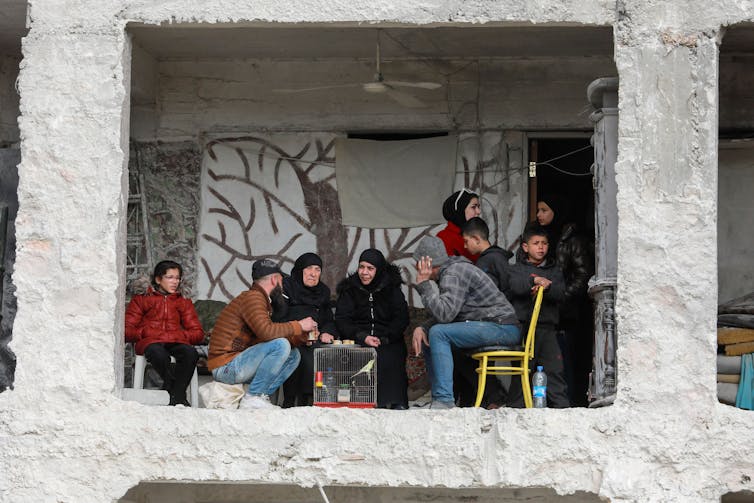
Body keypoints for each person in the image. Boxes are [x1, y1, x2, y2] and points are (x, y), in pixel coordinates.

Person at [410, 236, 520, 409]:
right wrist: (422, 327)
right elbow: (452, 313)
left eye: (417, 263)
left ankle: (444, 400)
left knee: (438, 333)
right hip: (491, 326)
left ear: (426, 263)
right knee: (431, 336)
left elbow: (445, 315)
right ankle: (440, 398)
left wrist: (424, 285)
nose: (415, 268)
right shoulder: (452, 271)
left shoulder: (454, 273)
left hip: (502, 327)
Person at [207, 259, 317, 410]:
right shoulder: (253, 298)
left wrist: (301, 337)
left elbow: (263, 337)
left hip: (236, 364)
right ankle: (254, 396)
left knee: (293, 355)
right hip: (225, 367)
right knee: (281, 345)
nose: (283, 286)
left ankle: (257, 395)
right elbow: (267, 332)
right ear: (274, 279)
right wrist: (299, 325)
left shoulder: (260, 301)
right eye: (281, 280)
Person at [536, 194, 594, 407]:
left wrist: (560, 295)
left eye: (544, 210)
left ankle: (570, 402)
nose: (539, 215)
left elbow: (582, 276)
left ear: (557, 211)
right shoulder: (544, 238)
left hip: (569, 312)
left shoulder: (573, 239)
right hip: (550, 311)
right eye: (538, 210)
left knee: (568, 360)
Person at [335, 249, 410, 410]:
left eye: (370, 268)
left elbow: (402, 318)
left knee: (390, 355)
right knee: (362, 354)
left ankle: (394, 400)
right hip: (359, 337)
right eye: (361, 267)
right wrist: (362, 336)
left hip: (388, 338)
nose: (364, 272)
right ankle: (363, 401)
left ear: (379, 270)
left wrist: (385, 338)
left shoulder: (392, 288)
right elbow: (342, 319)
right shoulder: (350, 289)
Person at [125, 260, 204, 406]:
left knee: (190, 353)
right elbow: (127, 330)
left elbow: (198, 333)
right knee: (158, 354)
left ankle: (174, 393)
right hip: (151, 342)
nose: (175, 282)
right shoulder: (142, 298)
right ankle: (177, 393)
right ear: (158, 279)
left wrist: (180, 336)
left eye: (177, 278)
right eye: (170, 277)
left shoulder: (183, 300)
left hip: (175, 341)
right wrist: (145, 332)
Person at [507, 224, 569, 408]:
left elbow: (561, 292)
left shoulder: (554, 270)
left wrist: (546, 287)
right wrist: (533, 281)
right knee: (522, 372)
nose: (541, 247)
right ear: (525, 247)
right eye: (536, 243)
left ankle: (562, 411)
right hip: (524, 329)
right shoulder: (516, 269)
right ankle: (516, 411)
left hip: (547, 328)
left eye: (544, 243)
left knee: (554, 371)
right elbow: (515, 286)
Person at [274, 252, 338, 407]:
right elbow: (278, 319)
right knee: (300, 355)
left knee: (326, 353)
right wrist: (300, 327)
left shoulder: (323, 291)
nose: (313, 273)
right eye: (309, 268)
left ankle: (318, 401)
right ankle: (291, 402)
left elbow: (328, 319)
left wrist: (327, 332)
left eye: (317, 269)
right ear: (300, 270)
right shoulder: (287, 287)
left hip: (315, 339)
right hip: (292, 337)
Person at [437, 188, 482, 263]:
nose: (478, 211)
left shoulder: (476, 234)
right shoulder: (444, 238)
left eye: (478, 207)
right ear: (460, 210)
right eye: (473, 207)